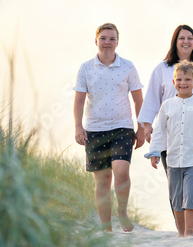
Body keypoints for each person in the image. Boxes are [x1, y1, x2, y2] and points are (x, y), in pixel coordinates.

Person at [137, 24, 193, 233]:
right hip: (168, 141)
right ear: (175, 41)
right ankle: (181, 232)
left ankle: (192, 231)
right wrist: (146, 127)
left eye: (190, 38)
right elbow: (153, 99)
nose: (186, 42)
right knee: (176, 189)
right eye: (182, 38)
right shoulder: (162, 69)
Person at [73, 23, 144, 232]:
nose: (107, 42)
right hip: (94, 129)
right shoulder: (86, 68)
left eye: (112, 39)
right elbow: (78, 100)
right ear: (96, 41)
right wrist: (78, 126)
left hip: (122, 127)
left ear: (117, 42)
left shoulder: (128, 66)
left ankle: (122, 212)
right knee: (102, 180)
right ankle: (106, 228)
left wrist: (141, 128)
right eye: (103, 38)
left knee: (121, 171)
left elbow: (138, 100)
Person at [145, 60, 193, 237]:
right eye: (179, 79)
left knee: (192, 197)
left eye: (187, 79)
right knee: (177, 199)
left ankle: (189, 234)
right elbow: (159, 131)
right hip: (173, 161)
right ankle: (181, 235)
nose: (183, 83)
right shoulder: (167, 106)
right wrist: (155, 151)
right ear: (173, 82)